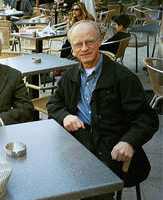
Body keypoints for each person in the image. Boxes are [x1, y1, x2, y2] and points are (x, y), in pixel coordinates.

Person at [47, 20, 158, 199]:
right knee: (50, 175)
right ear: (72, 48)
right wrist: (65, 116)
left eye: (89, 42)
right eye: (78, 44)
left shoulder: (123, 77)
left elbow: (147, 118)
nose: (84, 48)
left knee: (92, 188)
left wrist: (129, 142)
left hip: (111, 146)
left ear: (100, 41)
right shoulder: (70, 75)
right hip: (79, 142)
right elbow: (53, 105)